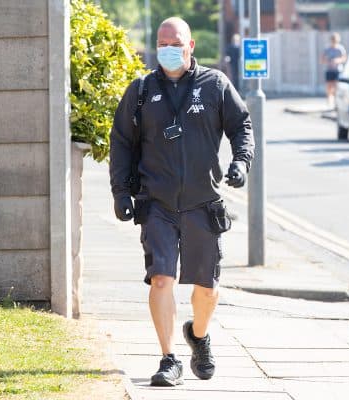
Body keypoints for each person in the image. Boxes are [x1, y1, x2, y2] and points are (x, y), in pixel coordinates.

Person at [109, 17, 254, 387]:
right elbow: (122, 142)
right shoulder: (141, 90)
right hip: (156, 203)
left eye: (175, 42)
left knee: (206, 288)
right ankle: (168, 358)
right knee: (161, 280)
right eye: (162, 42)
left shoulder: (215, 85)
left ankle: (199, 335)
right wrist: (121, 192)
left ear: (191, 46)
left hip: (203, 203)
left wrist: (241, 162)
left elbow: (241, 127)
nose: (168, 49)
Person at [320, 32, 347, 108]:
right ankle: (329, 101)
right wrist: (328, 61)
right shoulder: (327, 49)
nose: (334, 42)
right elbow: (322, 60)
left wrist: (338, 60)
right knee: (329, 87)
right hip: (329, 70)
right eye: (333, 40)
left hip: (337, 70)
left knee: (336, 87)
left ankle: (336, 103)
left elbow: (344, 58)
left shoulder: (340, 49)